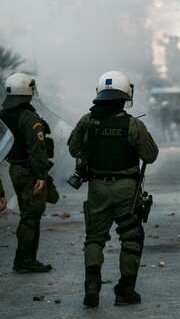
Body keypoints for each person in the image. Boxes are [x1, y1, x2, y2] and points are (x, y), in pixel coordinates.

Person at [67, 71, 159, 308]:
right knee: (131, 237)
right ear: (125, 95)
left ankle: (91, 287)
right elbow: (150, 155)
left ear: (100, 93)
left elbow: (73, 149)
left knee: (94, 238)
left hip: (97, 187)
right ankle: (125, 291)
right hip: (126, 190)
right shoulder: (133, 124)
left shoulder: (87, 121)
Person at [0, 73, 58, 273]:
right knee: (31, 215)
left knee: (29, 214)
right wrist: (41, 175)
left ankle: (25, 259)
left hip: (15, 169)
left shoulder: (3, 116)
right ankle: (25, 260)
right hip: (29, 172)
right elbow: (37, 150)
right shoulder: (29, 118)